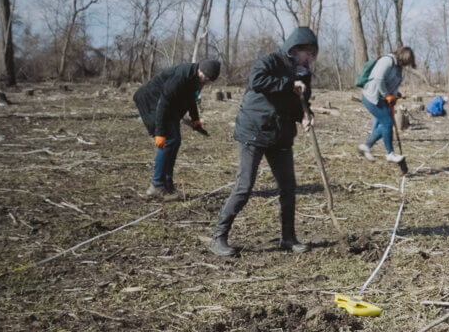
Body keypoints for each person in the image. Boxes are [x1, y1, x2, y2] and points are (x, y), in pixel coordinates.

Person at [210, 27, 318, 256]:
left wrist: (306, 117)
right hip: (254, 129)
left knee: (288, 187)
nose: (309, 58)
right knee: (245, 186)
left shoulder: (304, 74)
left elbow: (298, 105)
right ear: (294, 49)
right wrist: (289, 83)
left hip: (281, 134)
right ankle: (219, 237)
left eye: (312, 53)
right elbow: (257, 81)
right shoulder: (270, 62)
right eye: (307, 52)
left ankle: (288, 238)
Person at [134, 59, 220, 198]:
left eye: (209, 80)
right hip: (151, 101)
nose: (205, 81)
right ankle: (157, 185)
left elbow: (191, 98)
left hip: (168, 105)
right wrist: (160, 133)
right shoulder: (181, 76)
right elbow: (163, 104)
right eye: (205, 77)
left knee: (175, 141)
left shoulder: (196, 78)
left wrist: (195, 119)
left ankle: (167, 184)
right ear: (201, 70)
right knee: (169, 141)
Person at [357, 46, 416, 163]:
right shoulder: (387, 61)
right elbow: (379, 79)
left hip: (382, 99)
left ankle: (366, 147)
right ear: (402, 57)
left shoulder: (398, 67)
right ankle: (390, 154)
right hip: (371, 97)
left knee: (382, 125)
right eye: (405, 62)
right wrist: (386, 95)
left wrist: (394, 95)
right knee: (387, 123)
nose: (404, 65)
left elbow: (394, 84)